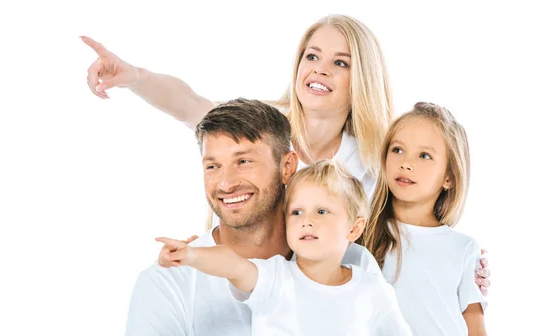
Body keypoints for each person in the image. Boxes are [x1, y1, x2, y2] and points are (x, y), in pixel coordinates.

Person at [81, 14, 491, 293]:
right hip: (249, 289)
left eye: (340, 63)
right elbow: (189, 104)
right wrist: (134, 77)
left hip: (326, 307)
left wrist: (461, 271)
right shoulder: (264, 125)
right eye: (311, 56)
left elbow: (414, 222)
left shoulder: (374, 157)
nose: (320, 69)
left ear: (361, 77)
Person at [122, 98, 385, 336]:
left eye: (243, 161)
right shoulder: (167, 284)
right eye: (212, 166)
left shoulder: (351, 263)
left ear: (287, 166)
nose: (226, 183)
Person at [156, 159, 414, 336]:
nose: (307, 222)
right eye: (296, 212)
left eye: (322, 211)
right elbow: (233, 265)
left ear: (354, 228)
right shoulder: (276, 278)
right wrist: (190, 255)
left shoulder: (371, 290)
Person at [363, 102, 496, 336]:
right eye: (397, 150)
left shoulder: (462, 249)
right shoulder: (366, 242)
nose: (406, 163)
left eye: (424, 155)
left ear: (448, 177)